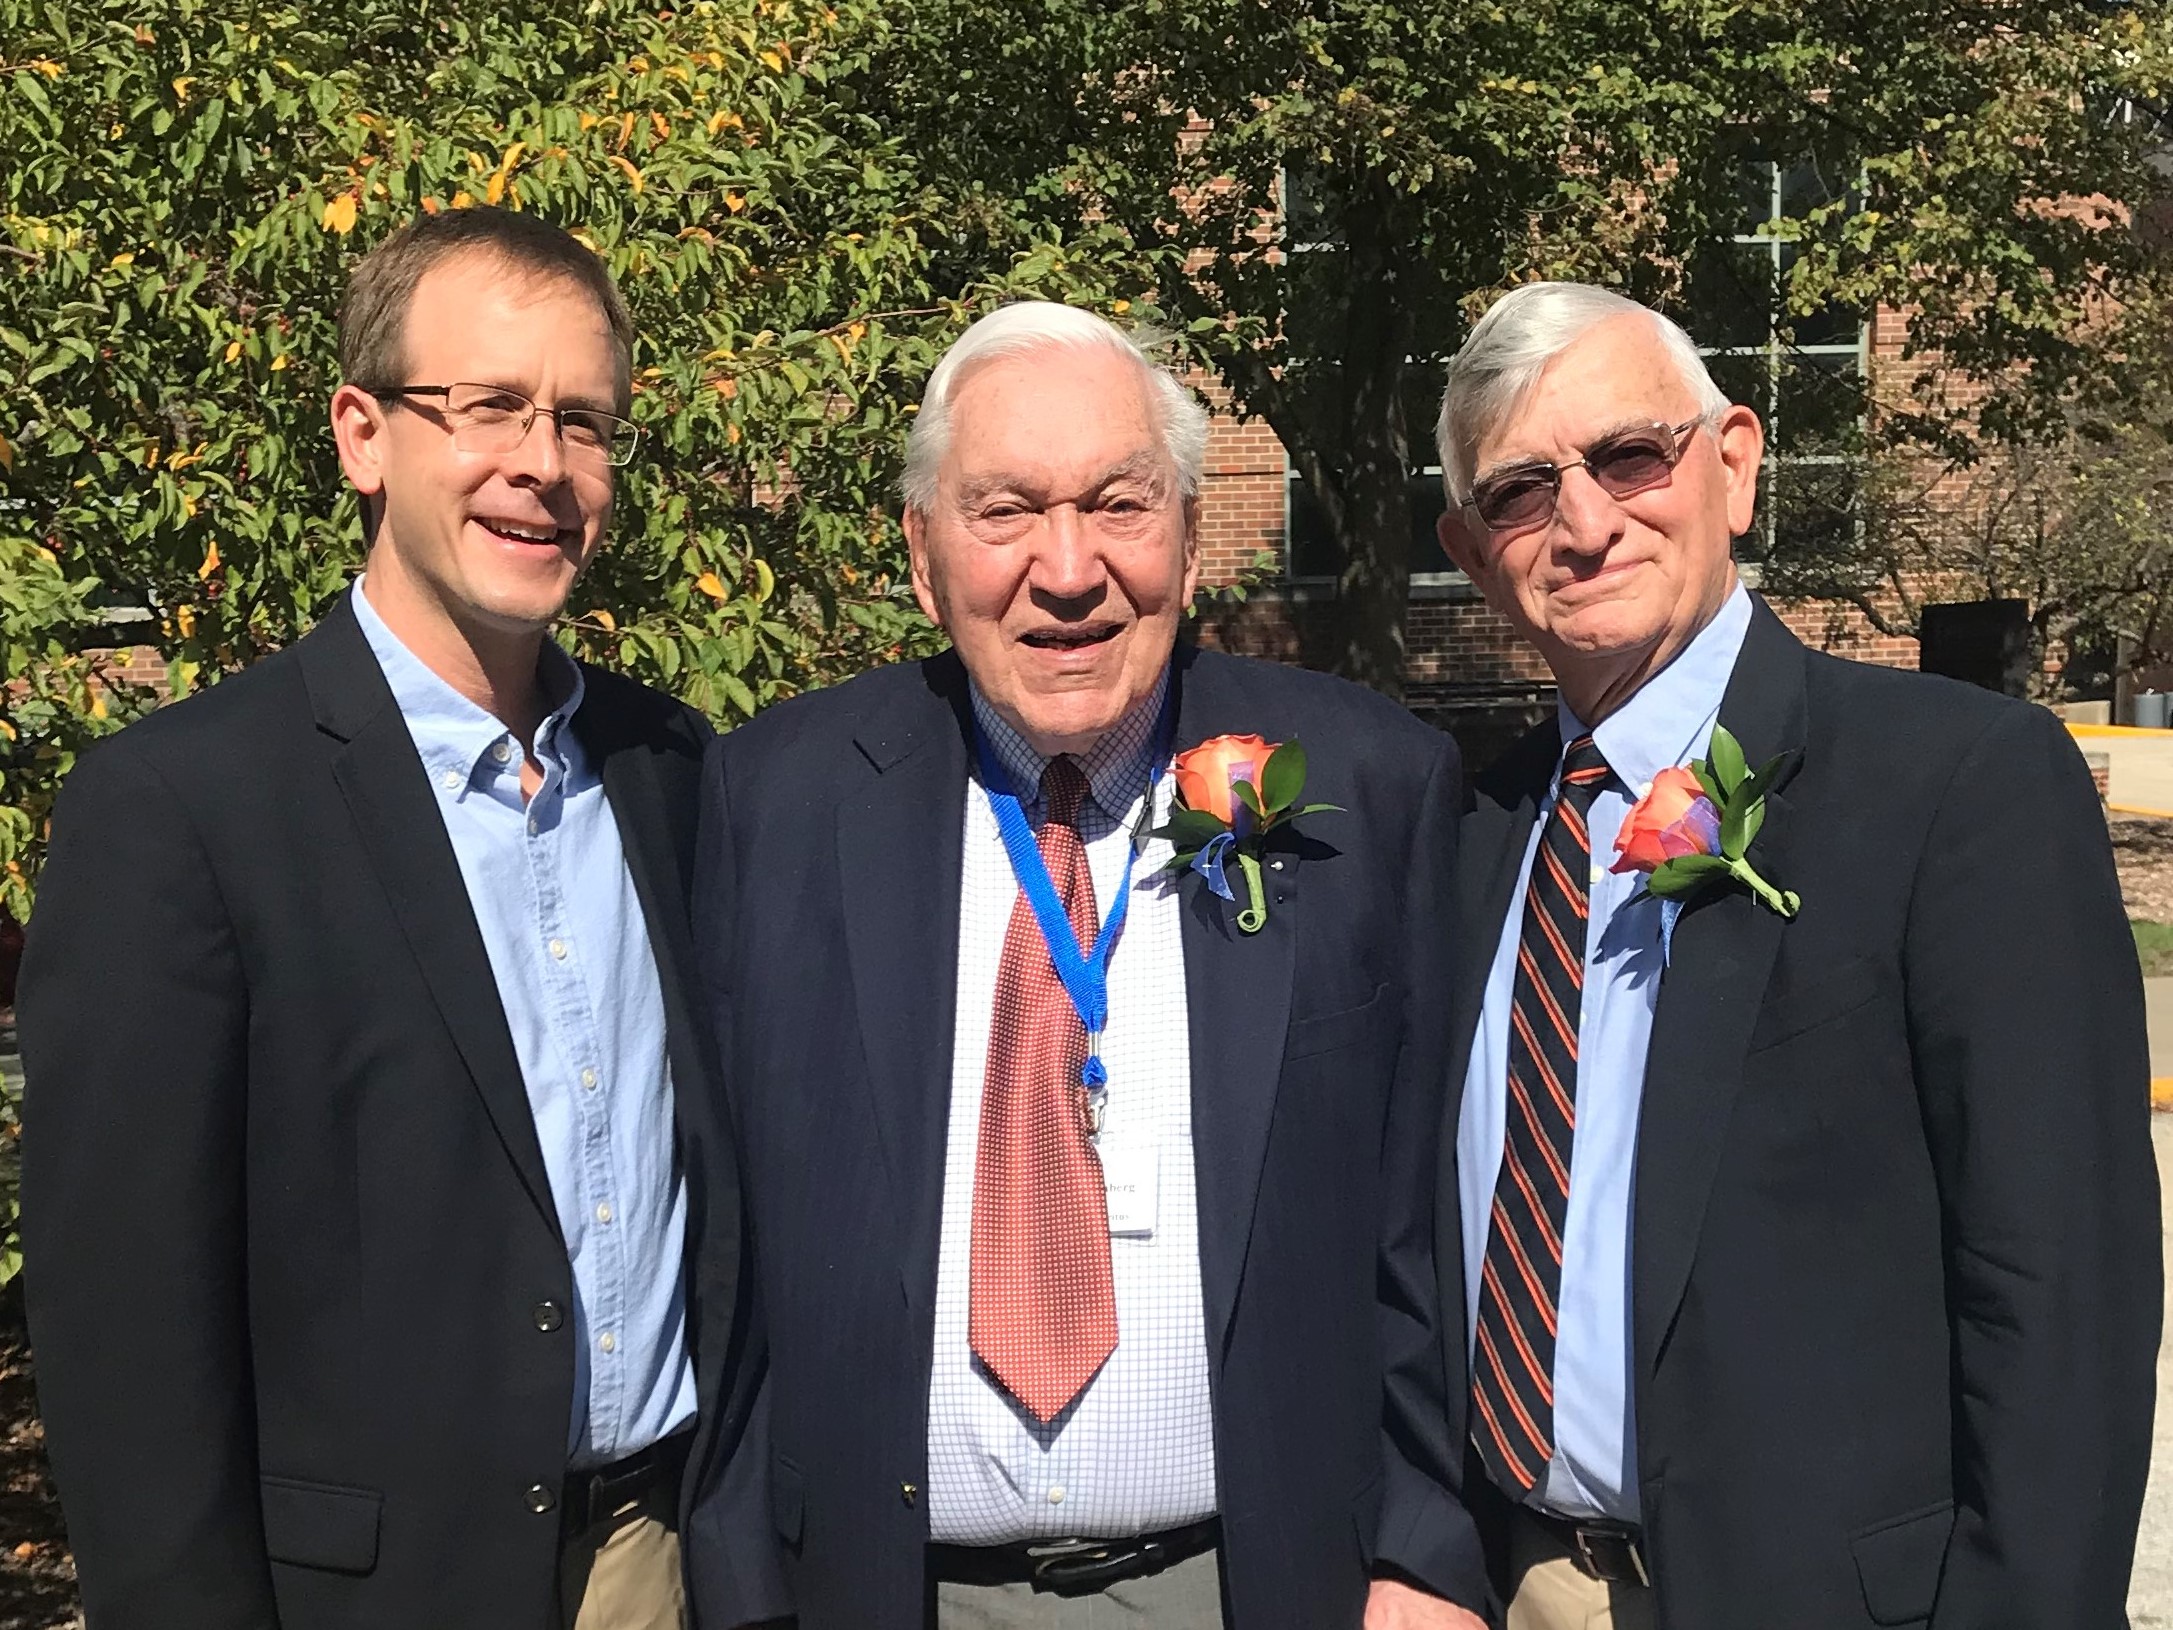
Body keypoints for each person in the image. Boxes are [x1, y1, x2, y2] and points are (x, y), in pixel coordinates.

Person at [685, 301, 1487, 1629]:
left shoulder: (1370, 782)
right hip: (881, 1593)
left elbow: (1423, 1210)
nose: (1067, 570)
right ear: (923, 555)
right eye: (1004, 512)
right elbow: (730, 1249)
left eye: (1119, 503)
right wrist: (739, 1584)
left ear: (1182, 528)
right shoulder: (775, 799)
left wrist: (1424, 1545)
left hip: (1259, 1586)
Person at [19, 207, 748, 1629]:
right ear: (363, 435)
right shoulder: (181, 808)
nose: (540, 463)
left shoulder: (675, 774)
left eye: (583, 422)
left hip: (661, 1563)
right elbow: (125, 1336)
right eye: (486, 407)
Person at [1431, 280, 2160, 1630]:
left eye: (1626, 457)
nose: (1583, 522)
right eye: (1520, 491)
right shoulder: (1473, 836)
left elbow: (2061, 1292)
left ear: (1732, 465)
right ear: (1474, 556)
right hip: (1513, 1585)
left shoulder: (1955, 786)